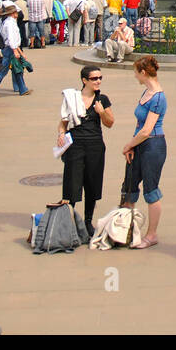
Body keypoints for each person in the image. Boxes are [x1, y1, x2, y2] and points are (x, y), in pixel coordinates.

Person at [58, 65, 114, 237]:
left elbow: (110, 122)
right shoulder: (72, 98)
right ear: (84, 80)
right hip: (75, 145)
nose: (98, 81)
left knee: (92, 183)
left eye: (100, 78)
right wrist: (60, 135)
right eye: (94, 78)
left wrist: (101, 111)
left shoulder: (102, 99)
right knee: (72, 184)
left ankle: (88, 221)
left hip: (95, 145)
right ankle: (70, 221)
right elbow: (63, 122)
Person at [119, 56, 167, 249]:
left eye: (136, 72)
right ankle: (123, 228)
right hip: (139, 144)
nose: (135, 76)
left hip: (153, 145)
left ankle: (152, 234)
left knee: (150, 188)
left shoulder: (158, 97)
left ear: (143, 73)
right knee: (129, 185)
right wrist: (133, 145)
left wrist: (128, 144)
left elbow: (147, 129)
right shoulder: (147, 92)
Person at [0, 6, 31, 97]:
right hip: (10, 49)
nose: (17, 14)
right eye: (16, 12)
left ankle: (22, 89)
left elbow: (14, 39)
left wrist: (20, 52)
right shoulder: (10, 23)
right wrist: (15, 50)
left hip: (11, 48)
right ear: (12, 13)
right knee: (4, 70)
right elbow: (11, 38)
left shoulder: (8, 22)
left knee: (17, 69)